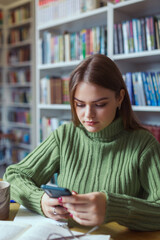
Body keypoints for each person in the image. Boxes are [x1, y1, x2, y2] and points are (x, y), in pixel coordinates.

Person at [3, 54, 160, 231]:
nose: (88, 115)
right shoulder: (65, 136)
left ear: (119, 98)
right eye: (79, 104)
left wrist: (113, 208)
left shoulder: (144, 144)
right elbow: (14, 175)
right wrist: (40, 200)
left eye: (99, 104)